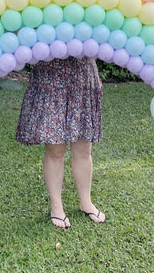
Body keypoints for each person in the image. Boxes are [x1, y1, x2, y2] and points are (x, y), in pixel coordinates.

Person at [15, 56, 106, 228]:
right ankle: (56, 207)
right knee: (55, 150)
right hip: (51, 77)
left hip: (82, 76)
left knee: (84, 150)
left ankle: (86, 202)